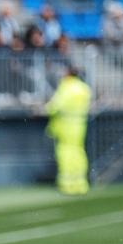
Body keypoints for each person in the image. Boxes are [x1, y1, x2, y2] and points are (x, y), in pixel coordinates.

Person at [45, 66, 92, 195]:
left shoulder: (66, 88)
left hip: (65, 125)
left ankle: (67, 184)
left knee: (65, 152)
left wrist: (45, 108)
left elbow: (55, 106)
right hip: (80, 124)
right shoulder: (84, 88)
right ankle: (81, 183)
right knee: (79, 151)